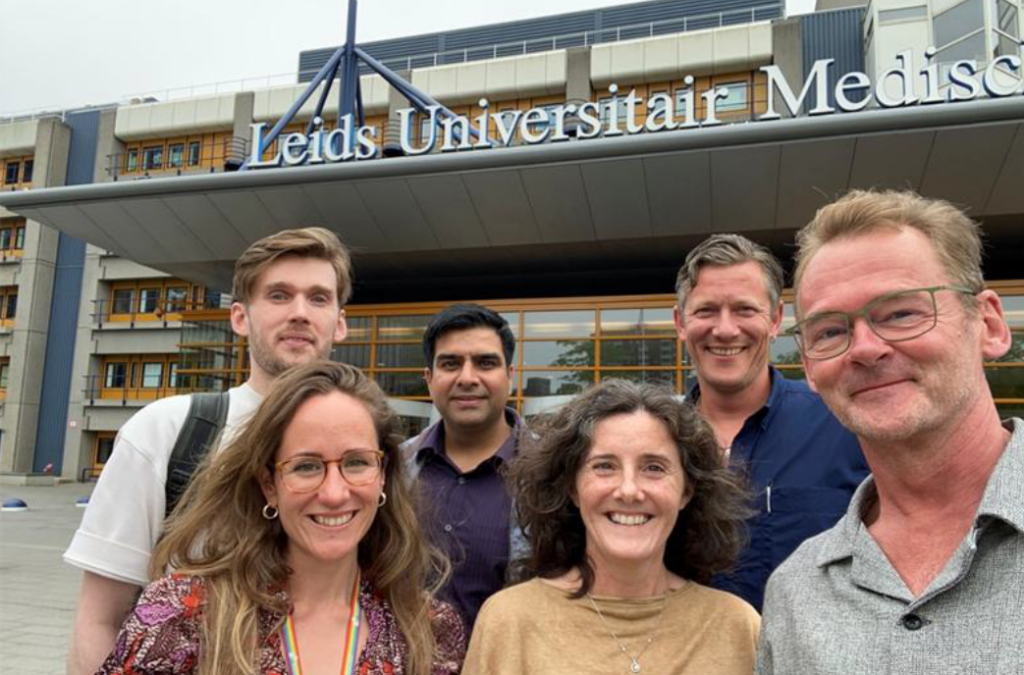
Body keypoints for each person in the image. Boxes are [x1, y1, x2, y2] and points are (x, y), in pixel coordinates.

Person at [756, 190, 1022, 674]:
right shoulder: (795, 593)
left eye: (901, 313)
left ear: (988, 324)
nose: (866, 348)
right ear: (811, 371)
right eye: (830, 331)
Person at [66, 227, 352, 675]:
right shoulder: (166, 432)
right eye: (279, 295)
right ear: (240, 317)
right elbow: (101, 617)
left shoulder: (366, 448)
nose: (300, 312)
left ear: (339, 322)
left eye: (318, 298)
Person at [96, 360, 466, 675]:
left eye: (356, 462)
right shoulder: (183, 615)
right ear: (269, 484)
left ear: (383, 474)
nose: (335, 493)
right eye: (306, 466)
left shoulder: (428, 630)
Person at [463, 379, 760, 675]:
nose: (628, 490)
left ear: (687, 491)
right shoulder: (509, 623)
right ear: (572, 488)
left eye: (653, 467)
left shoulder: (739, 628)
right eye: (604, 466)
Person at [674, 233, 869, 611]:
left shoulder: (843, 425)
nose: (726, 329)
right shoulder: (655, 440)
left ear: (776, 319)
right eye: (706, 311)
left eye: (745, 310)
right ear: (681, 322)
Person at [402, 303, 526, 632]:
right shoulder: (392, 470)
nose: (468, 378)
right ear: (430, 379)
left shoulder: (555, 470)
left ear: (510, 377)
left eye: (486, 363)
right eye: (450, 364)